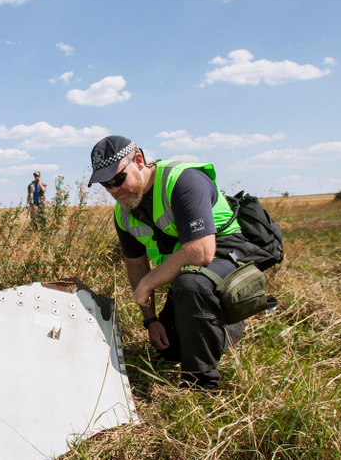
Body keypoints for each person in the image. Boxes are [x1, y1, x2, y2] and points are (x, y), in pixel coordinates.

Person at [88, 136, 248, 389]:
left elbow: (201, 251)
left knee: (191, 284)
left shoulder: (183, 181)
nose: (114, 190)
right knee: (171, 349)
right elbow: (137, 267)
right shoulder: (124, 213)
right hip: (186, 271)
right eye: (106, 184)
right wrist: (151, 322)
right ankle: (217, 327)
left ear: (139, 161)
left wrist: (148, 284)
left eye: (118, 179)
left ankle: (200, 384)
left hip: (227, 257)